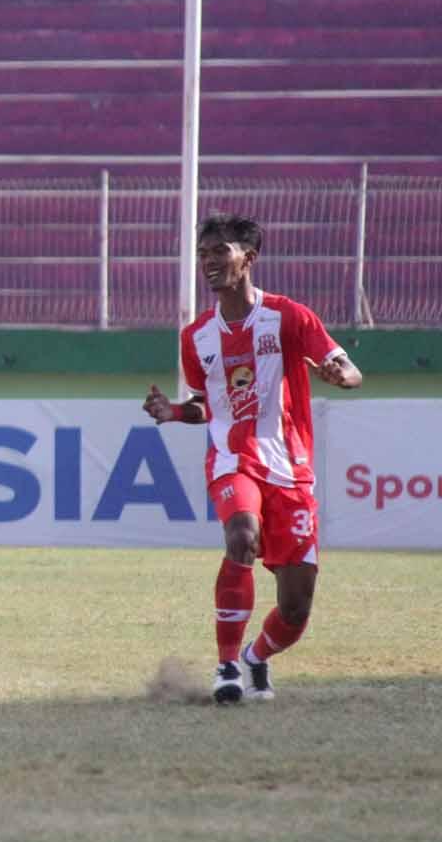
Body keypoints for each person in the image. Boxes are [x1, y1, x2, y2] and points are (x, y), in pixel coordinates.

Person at [143, 213, 362, 704]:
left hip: (290, 468)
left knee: (296, 608)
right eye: (203, 253)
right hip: (232, 459)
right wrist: (174, 411)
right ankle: (226, 666)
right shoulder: (196, 336)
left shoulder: (288, 316)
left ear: (249, 258)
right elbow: (208, 405)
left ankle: (255, 657)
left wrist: (340, 376)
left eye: (220, 251)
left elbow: (348, 368)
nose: (209, 261)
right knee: (242, 535)